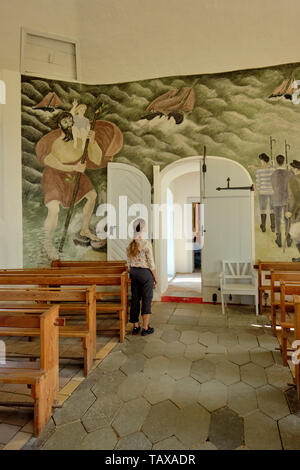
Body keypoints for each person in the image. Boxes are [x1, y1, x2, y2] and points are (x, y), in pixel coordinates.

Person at [36, 110, 123, 259]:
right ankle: (47, 242)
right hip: (55, 175)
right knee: (53, 209)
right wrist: (72, 168)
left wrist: (93, 141)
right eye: (65, 122)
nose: (69, 125)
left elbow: (96, 159)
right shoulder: (54, 141)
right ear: (59, 125)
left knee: (92, 196)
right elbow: (50, 161)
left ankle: (84, 229)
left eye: (71, 121)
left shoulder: (81, 140)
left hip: (74, 174)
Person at [126, 218, 158, 336]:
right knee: (146, 299)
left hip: (133, 273)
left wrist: (133, 272)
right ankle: (145, 328)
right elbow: (151, 263)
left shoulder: (130, 244)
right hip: (145, 274)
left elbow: (128, 262)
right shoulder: (146, 243)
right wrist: (155, 277)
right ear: (143, 228)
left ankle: (135, 326)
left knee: (135, 299)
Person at [271, 154, 293, 247]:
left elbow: (273, 186)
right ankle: (288, 238)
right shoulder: (289, 173)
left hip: (276, 198)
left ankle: (278, 238)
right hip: (286, 199)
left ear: (276, 162)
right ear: (284, 162)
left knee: (277, 219)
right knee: (287, 218)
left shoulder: (273, 174)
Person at [255, 153, 275, 233]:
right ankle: (273, 226)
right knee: (272, 209)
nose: (261, 162)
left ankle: (263, 226)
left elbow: (258, 183)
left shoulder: (259, 171)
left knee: (263, 209)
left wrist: (258, 190)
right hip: (272, 191)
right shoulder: (273, 169)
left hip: (262, 192)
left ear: (263, 161)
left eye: (261, 161)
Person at [285, 160, 300, 261]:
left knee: (294, 232)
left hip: (298, 212)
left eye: (293, 168)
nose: (291, 169)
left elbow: (296, 199)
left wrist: (291, 211)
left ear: (296, 169)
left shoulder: (293, 180)